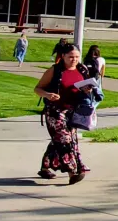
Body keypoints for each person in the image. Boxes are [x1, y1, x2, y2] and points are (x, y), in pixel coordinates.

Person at [33, 40, 94, 184]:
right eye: (71, 57)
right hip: (55, 111)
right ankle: (72, 172)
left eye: (77, 57)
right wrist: (47, 95)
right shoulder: (54, 70)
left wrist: (87, 90)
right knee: (65, 140)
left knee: (64, 140)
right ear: (63, 56)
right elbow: (38, 88)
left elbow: (86, 87)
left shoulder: (83, 69)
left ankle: (45, 167)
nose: (74, 60)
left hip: (72, 111)